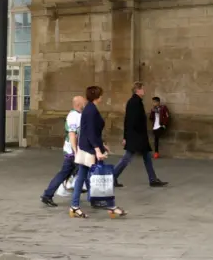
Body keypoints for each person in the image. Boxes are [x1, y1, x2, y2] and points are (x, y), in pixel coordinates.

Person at [69, 86, 126, 219]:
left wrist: (102, 145)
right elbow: (90, 133)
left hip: (88, 148)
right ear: (97, 97)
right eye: (101, 95)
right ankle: (110, 206)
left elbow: (92, 132)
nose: (102, 97)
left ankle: (75, 206)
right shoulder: (91, 110)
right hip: (90, 150)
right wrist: (97, 150)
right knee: (103, 178)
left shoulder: (89, 109)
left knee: (84, 177)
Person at [113, 82, 168, 188]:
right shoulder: (134, 102)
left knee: (147, 157)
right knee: (127, 158)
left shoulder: (135, 101)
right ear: (137, 90)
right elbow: (131, 121)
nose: (144, 91)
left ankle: (153, 179)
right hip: (136, 136)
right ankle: (112, 177)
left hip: (138, 136)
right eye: (142, 89)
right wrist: (127, 136)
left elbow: (128, 120)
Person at [41, 95, 86, 207]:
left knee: (66, 173)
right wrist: (75, 151)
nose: (85, 104)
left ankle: (49, 194)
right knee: (76, 172)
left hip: (74, 151)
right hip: (72, 152)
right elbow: (72, 134)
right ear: (79, 104)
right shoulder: (73, 116)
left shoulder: (78, 115)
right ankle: (93, 194)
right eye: (84, 102)